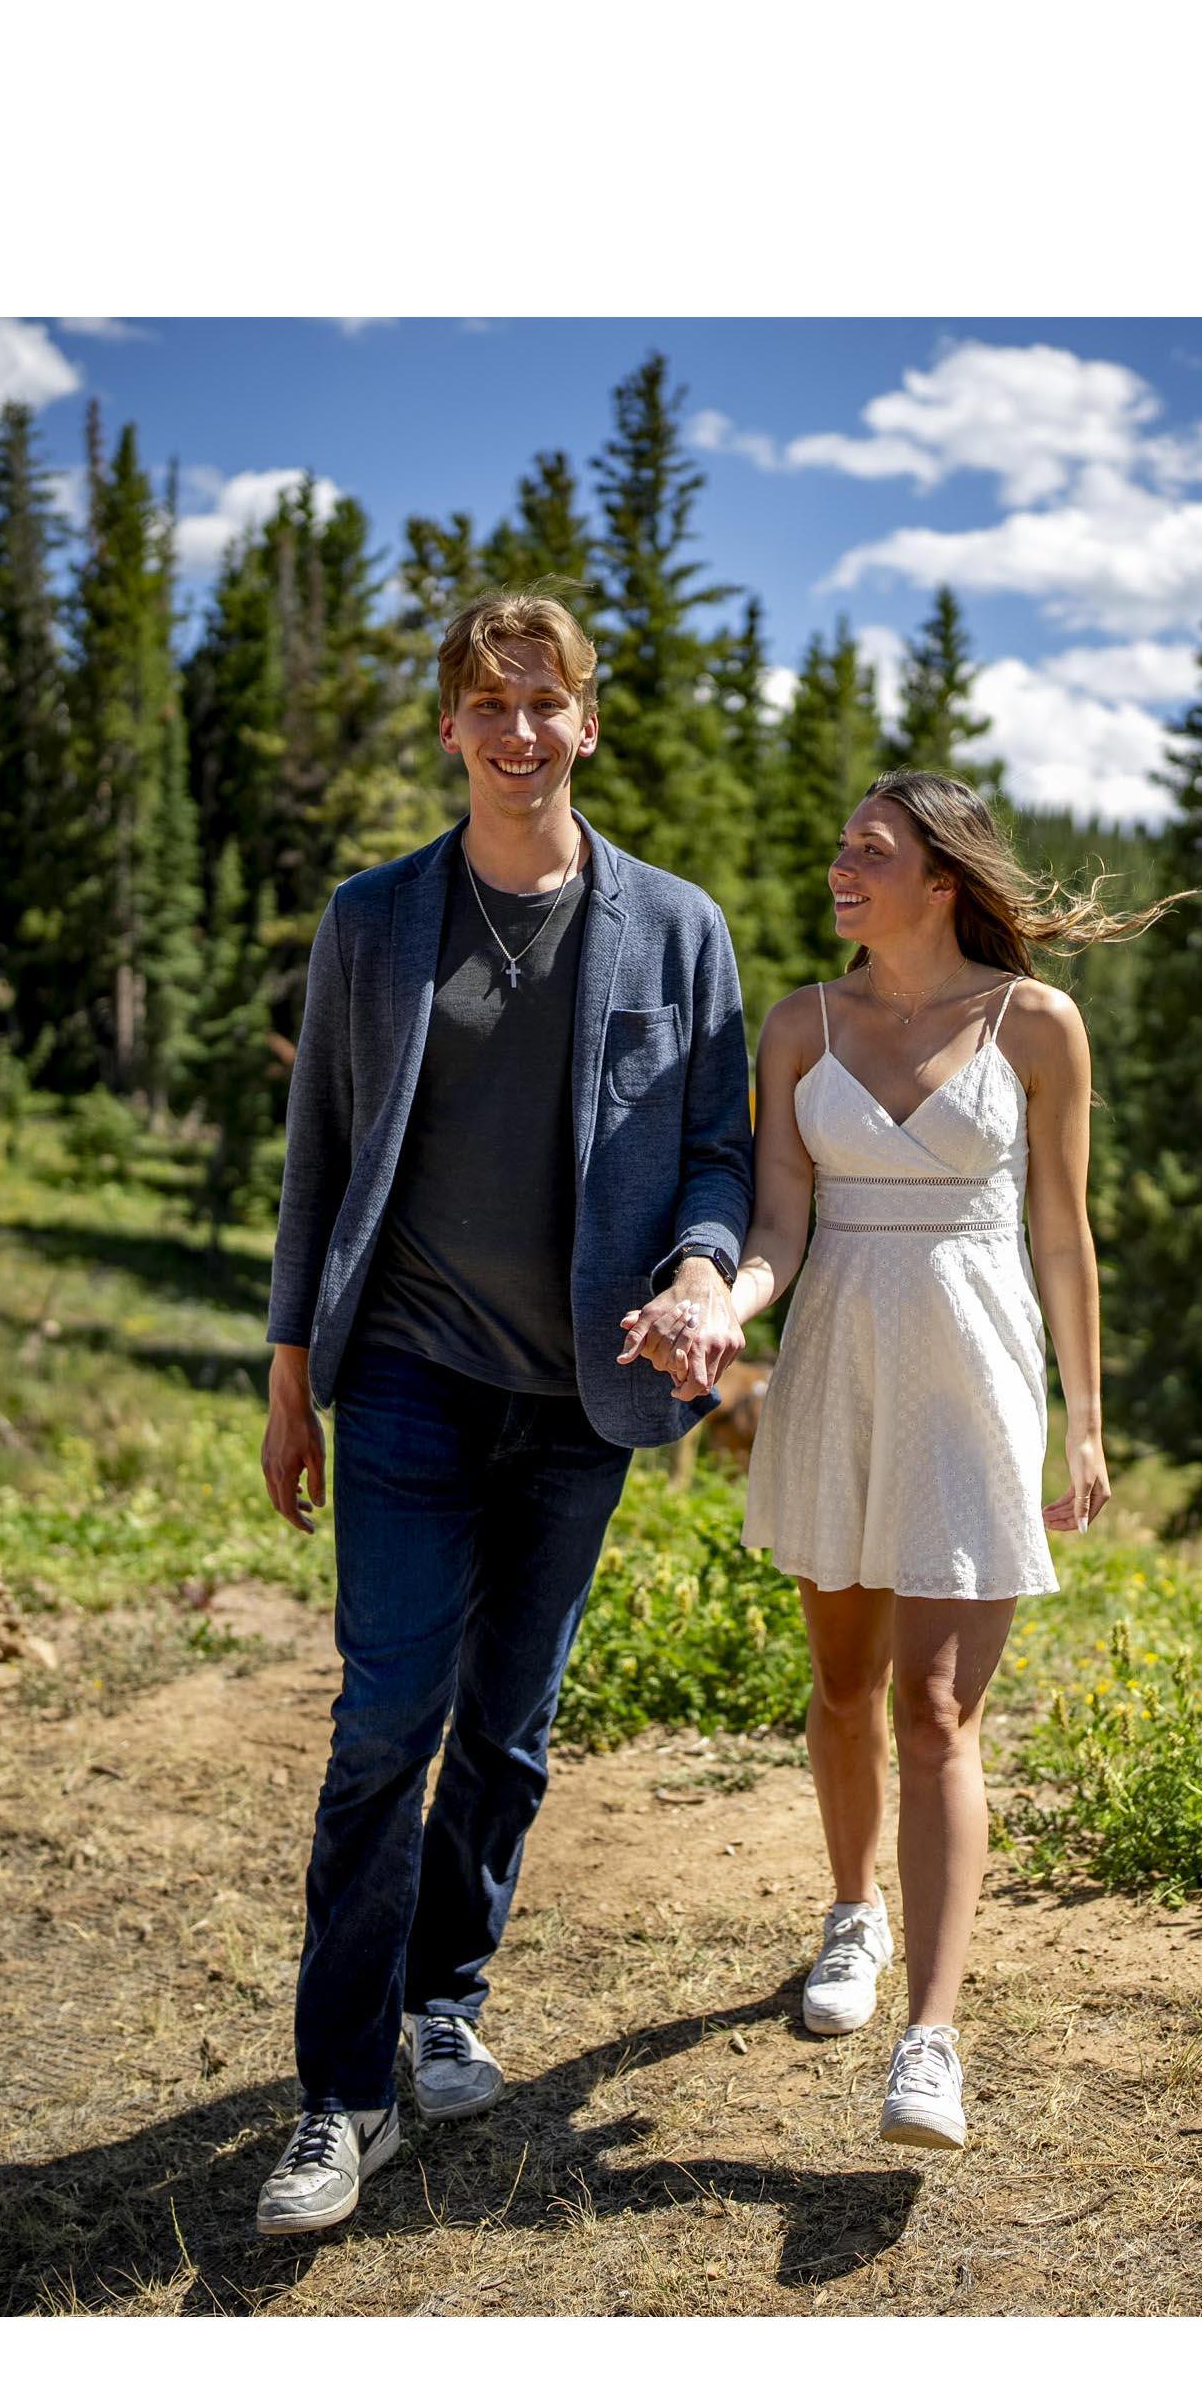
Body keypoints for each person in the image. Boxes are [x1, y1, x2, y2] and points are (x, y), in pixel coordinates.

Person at [251, 592, 752, 2237]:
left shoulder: (677, 927)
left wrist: (702, 1269)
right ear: (451, 727)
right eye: (489, 703)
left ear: (588, 724)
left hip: (582, 1399)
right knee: (386, 1721)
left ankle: (444, 1995)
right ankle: (342, 2097)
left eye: (546, 703)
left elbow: (719, 1154)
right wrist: (292, 1377)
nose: (519, 731)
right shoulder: (376, 919)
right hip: (406, 1375)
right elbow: (319, 1159)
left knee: (512, 1730)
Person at [625, 770, 1179, 2153]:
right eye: (840, 846)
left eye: (870, 851)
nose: (841, 867)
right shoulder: (800, 1026)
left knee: (936, 1710)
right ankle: (851, 1913)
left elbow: (1063, 1233)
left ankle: (930, 2039)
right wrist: (720, 1307)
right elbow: (777, 1228)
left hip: (975, 1376)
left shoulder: (1037, 1025)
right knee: (842, 1683)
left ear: (943, 879)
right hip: (837, 1366)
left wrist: (1088, 1419)